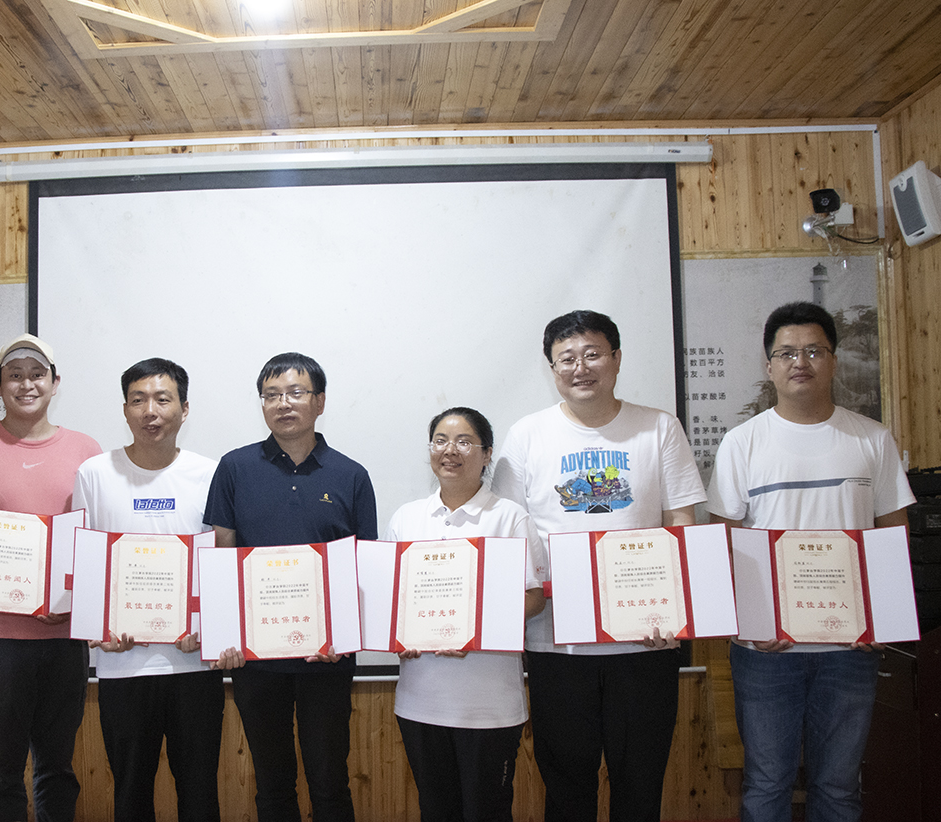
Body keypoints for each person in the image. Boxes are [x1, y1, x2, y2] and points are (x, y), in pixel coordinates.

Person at [491, 309, 705, 822]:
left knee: (641, 783)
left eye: (592, 354)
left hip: (646, 639)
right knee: (566, 786)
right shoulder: (527, 434)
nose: (580, 368)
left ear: (616, 358)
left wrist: (677, 612)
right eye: (566, 358)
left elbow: (681, 522)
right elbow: (508, 534)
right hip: (556, 643)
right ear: (552, 368)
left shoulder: (658, 427)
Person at [706, 301, 914, 822]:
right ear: (769, 366)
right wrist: (755, 623)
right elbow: (725, 542)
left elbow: (893, 534)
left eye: (814, 351)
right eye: (787, 353)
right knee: (765, 785)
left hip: (850, 648)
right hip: (766, 652)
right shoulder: (742, 443)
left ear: (834, 360)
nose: (801, 362)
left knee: (839, 788)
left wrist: (881, 619)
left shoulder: (872, 438)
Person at [0, 333, 102, 822]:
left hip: (63, 635)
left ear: (54, 383)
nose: (26, 384)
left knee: (57, 768)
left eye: (37, 374)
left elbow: (94, 538)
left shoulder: (86, 449)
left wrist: (74, 601)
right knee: (1, 770)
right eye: (15, 375)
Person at [204, 352, 377, 822]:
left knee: (330, 782)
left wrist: (344, 636)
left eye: (296, 393)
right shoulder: (235, 467)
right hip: (257, 661)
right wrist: (224, 635)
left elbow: (363, 568)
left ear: (319, 401)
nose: (283, 404)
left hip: (327, 659)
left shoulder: (351, 475)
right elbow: (223, 554)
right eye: (271, 395)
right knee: (272, 783)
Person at [72, 358, 223, 822]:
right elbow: (84, 561)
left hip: (194, 664)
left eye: (162, 399)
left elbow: (223, 561)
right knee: (131, 794)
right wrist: (98, 629)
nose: (150, 411)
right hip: (123, 666)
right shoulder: (94, 473)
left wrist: (211, 629)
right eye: (138, 400)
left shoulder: (211, 474)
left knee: (199, 793)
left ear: (184, 408)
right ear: (125, 409)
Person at [386, 407, 545, 822]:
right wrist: (394, 632)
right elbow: (391, 600)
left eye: (464, 442)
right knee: (436, 811)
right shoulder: (407, 518)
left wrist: (475, 629)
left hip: (489, 706)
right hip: (420, 702)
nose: (449, 450)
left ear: (487, 453)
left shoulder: (509, 517)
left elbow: (534, 598)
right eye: (440, 440)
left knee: (487, 812)